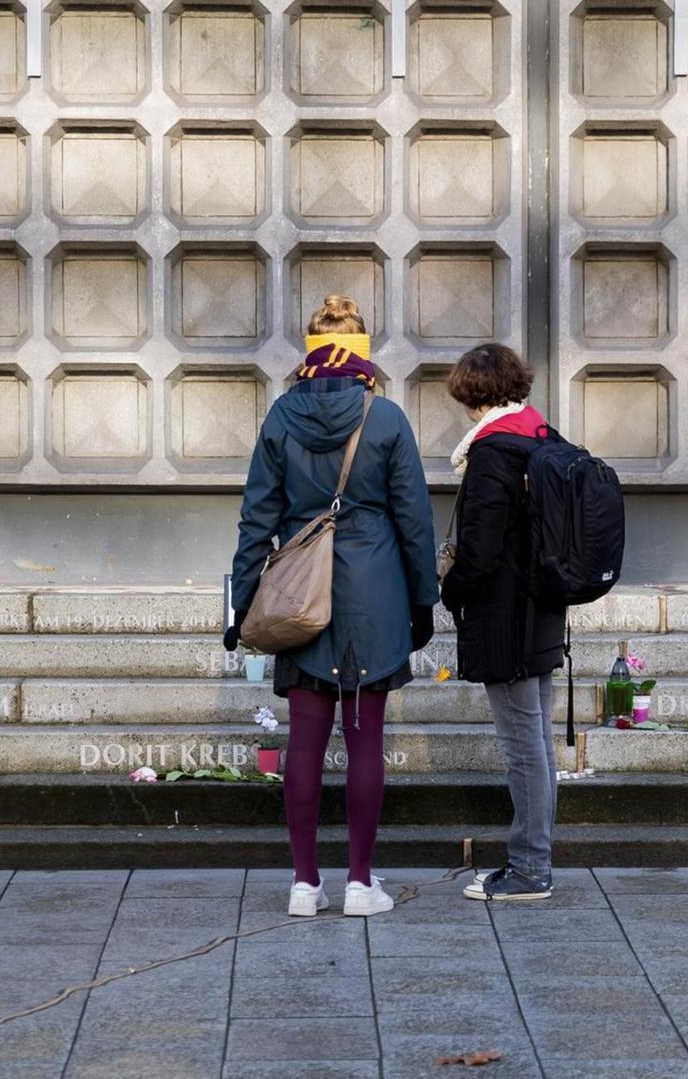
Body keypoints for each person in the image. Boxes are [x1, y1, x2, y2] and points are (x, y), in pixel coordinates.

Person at [227, 294, 439, 918]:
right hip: (375, 593)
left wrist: (240, 605)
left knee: (304, 744)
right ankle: (360, 883)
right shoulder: (388, 418)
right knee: (365, 739)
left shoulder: (280, 416)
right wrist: (424, 601)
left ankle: (302, 884)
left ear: (310, 349)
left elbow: (255, 520)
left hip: (299, 590)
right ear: (364, 352)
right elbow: (415, 521)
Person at [438, 343, 566, 903]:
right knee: (537, 742)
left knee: (523, 748)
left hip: (506, 616)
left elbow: (481, 550)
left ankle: (530, 869)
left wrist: (450, 587)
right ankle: (534, 861)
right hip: (542, 612)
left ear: (470, 395)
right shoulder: (541, 435)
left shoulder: (493, 451)